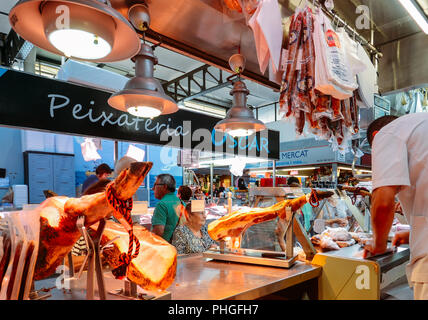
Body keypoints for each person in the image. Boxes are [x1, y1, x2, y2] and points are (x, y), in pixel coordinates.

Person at [363, 113, 428, 300]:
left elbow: (383, 202)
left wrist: (378, 244)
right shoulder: (420, 126)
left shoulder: (386, 134)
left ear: (375, 137)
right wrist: (413, 233)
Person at [151, 174, 182, 242]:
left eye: (155, 185)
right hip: (179, 246)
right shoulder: (180, 202)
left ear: (164, 186)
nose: (152, 188)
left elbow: (158, 233)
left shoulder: (162, 205)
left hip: (165, 246)